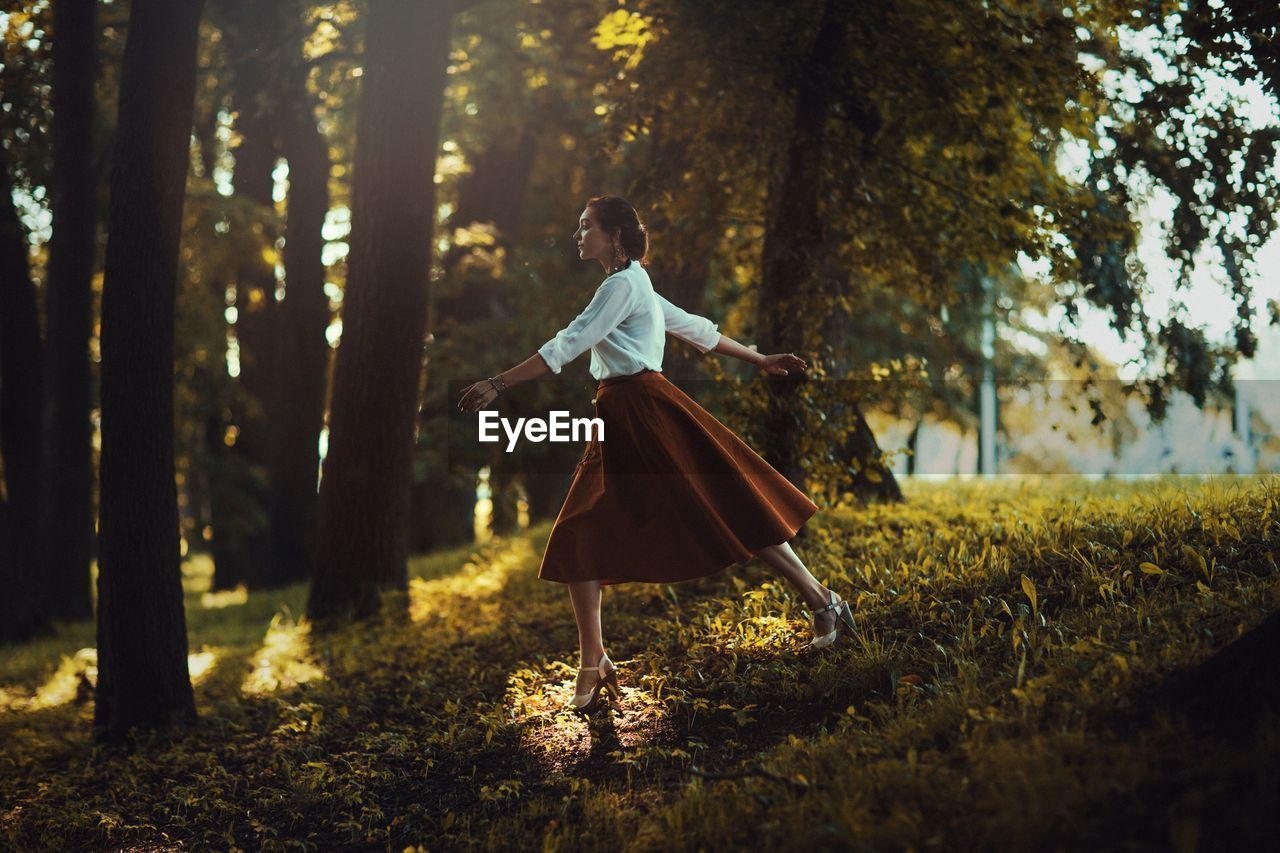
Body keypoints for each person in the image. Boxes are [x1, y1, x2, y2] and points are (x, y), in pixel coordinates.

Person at [457, 196, 856, 713]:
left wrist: (498, 382)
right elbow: (693, 327)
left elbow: (572, 342)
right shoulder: (633, 284)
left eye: (587, 227)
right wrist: (758, 358)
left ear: (615, 234)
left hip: (645, 410)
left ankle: (823, 601)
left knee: (719, 506)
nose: (578, 235)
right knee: (588, 528)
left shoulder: (621, 285)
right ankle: (594, 660)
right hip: (621, 415)